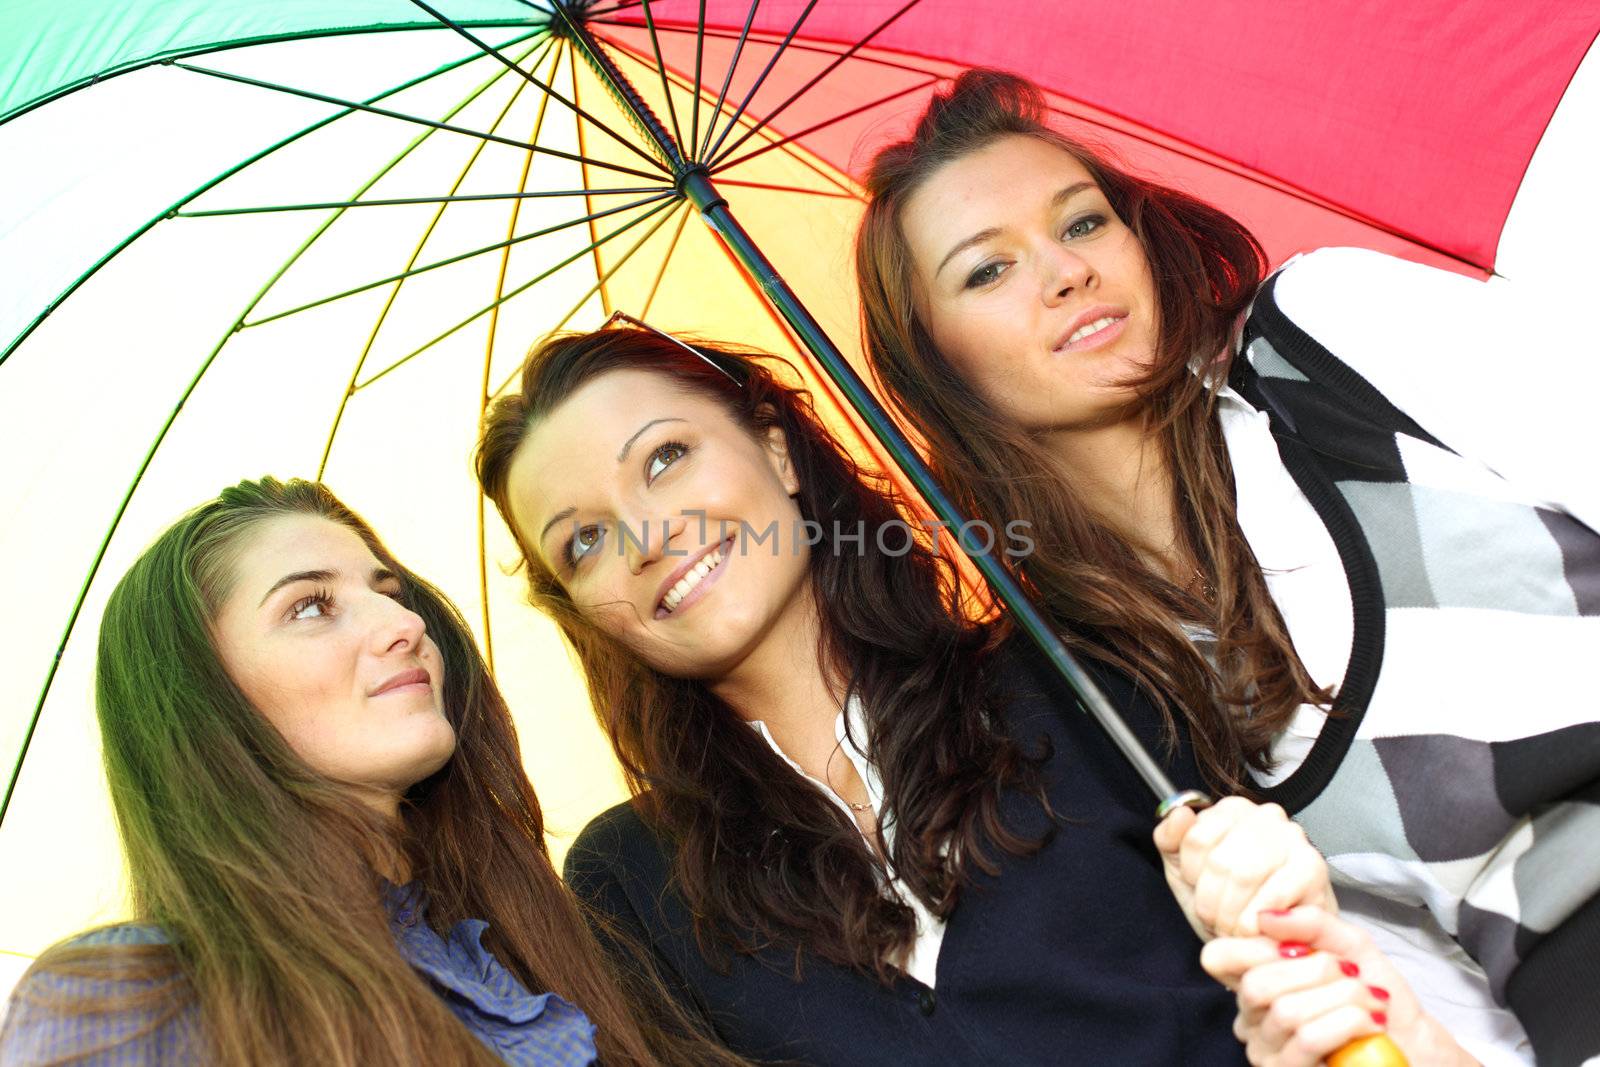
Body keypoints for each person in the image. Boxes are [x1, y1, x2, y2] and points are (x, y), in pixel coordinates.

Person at [854, 69, 1600, 1067]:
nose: (1064, 272)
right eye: (986, 271)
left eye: (1081, 224)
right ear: (934, 360)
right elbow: (1443, 1025)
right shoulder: (1118, 711)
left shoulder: (1327, 342)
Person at [473, 322, 1356, 1066]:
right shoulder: (629, 884)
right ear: (581, 611)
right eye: (583, 540)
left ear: (776, 449)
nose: (646, 535)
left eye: (665, 458)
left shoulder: (1077, 673)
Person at [0, 477, 746, 1067]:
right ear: (204, 694)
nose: (406, 624)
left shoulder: (516, 952)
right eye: (311, 605)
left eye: (387, 594)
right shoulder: (128, 1005)